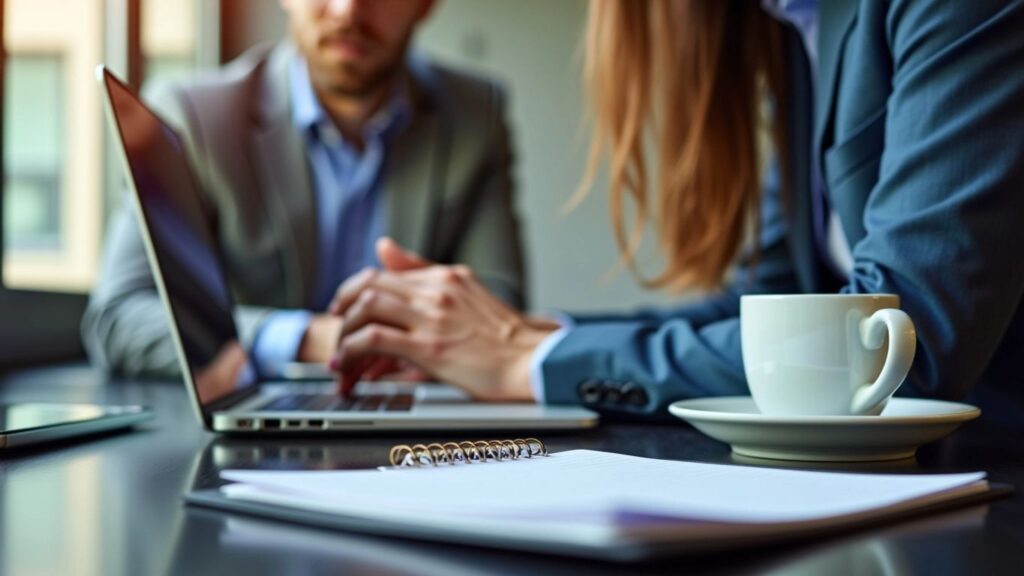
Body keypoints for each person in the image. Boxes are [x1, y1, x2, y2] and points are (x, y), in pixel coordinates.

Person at [326, 0, 1024, 425]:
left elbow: (903, 341)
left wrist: (532, 360)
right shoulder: (793, 27)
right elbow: (770, 307)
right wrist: (500, 339)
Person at [83, 0, 525, 379]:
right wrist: (305, 339)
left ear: (427, 4)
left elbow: (498, 309)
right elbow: (119, 316)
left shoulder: (475, 115)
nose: (347, 10)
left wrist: (435, 347)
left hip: (415, 414)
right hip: (253, 423)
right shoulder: (194, 117)